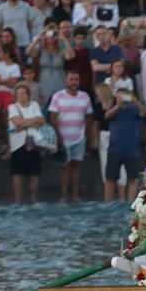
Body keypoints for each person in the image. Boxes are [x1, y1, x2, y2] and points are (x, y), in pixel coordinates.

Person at [48, 70, 93, 203]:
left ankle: (75, 195)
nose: (74, 82)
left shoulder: (85, 96)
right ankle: (63, 196)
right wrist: (58, 137)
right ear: (66, 81)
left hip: (79, 137)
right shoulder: (57, 96)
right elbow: (52, 118)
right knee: (65, 167)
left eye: (76, 79)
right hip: (63, 137)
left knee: (76, 166)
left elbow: (90, 116)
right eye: (71, 79)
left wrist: (85, 133)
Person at [103, 87, 146, 202]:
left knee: (133, 179)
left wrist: (136, 102)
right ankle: (108, 203)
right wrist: (118, 105)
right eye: (120, 96)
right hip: (115, 149)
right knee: (110, 178)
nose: (123, 98)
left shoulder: (135, 108)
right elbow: (107, 116)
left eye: (125, 96)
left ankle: (130, 203)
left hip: (132, 150)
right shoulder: (113, 108)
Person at [7, 82, 44, 205]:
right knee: (17, 172)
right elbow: (17, 122)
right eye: (19, 93)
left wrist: (25, 122)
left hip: (33, 142)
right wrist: (33, 121)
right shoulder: (12, 107)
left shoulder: (35, 105)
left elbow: (41, 121)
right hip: (18, 143)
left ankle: (33, 198)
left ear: (28, 95)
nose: (21, 95)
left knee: (34, 172)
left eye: (24, 93)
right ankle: (17, 200)